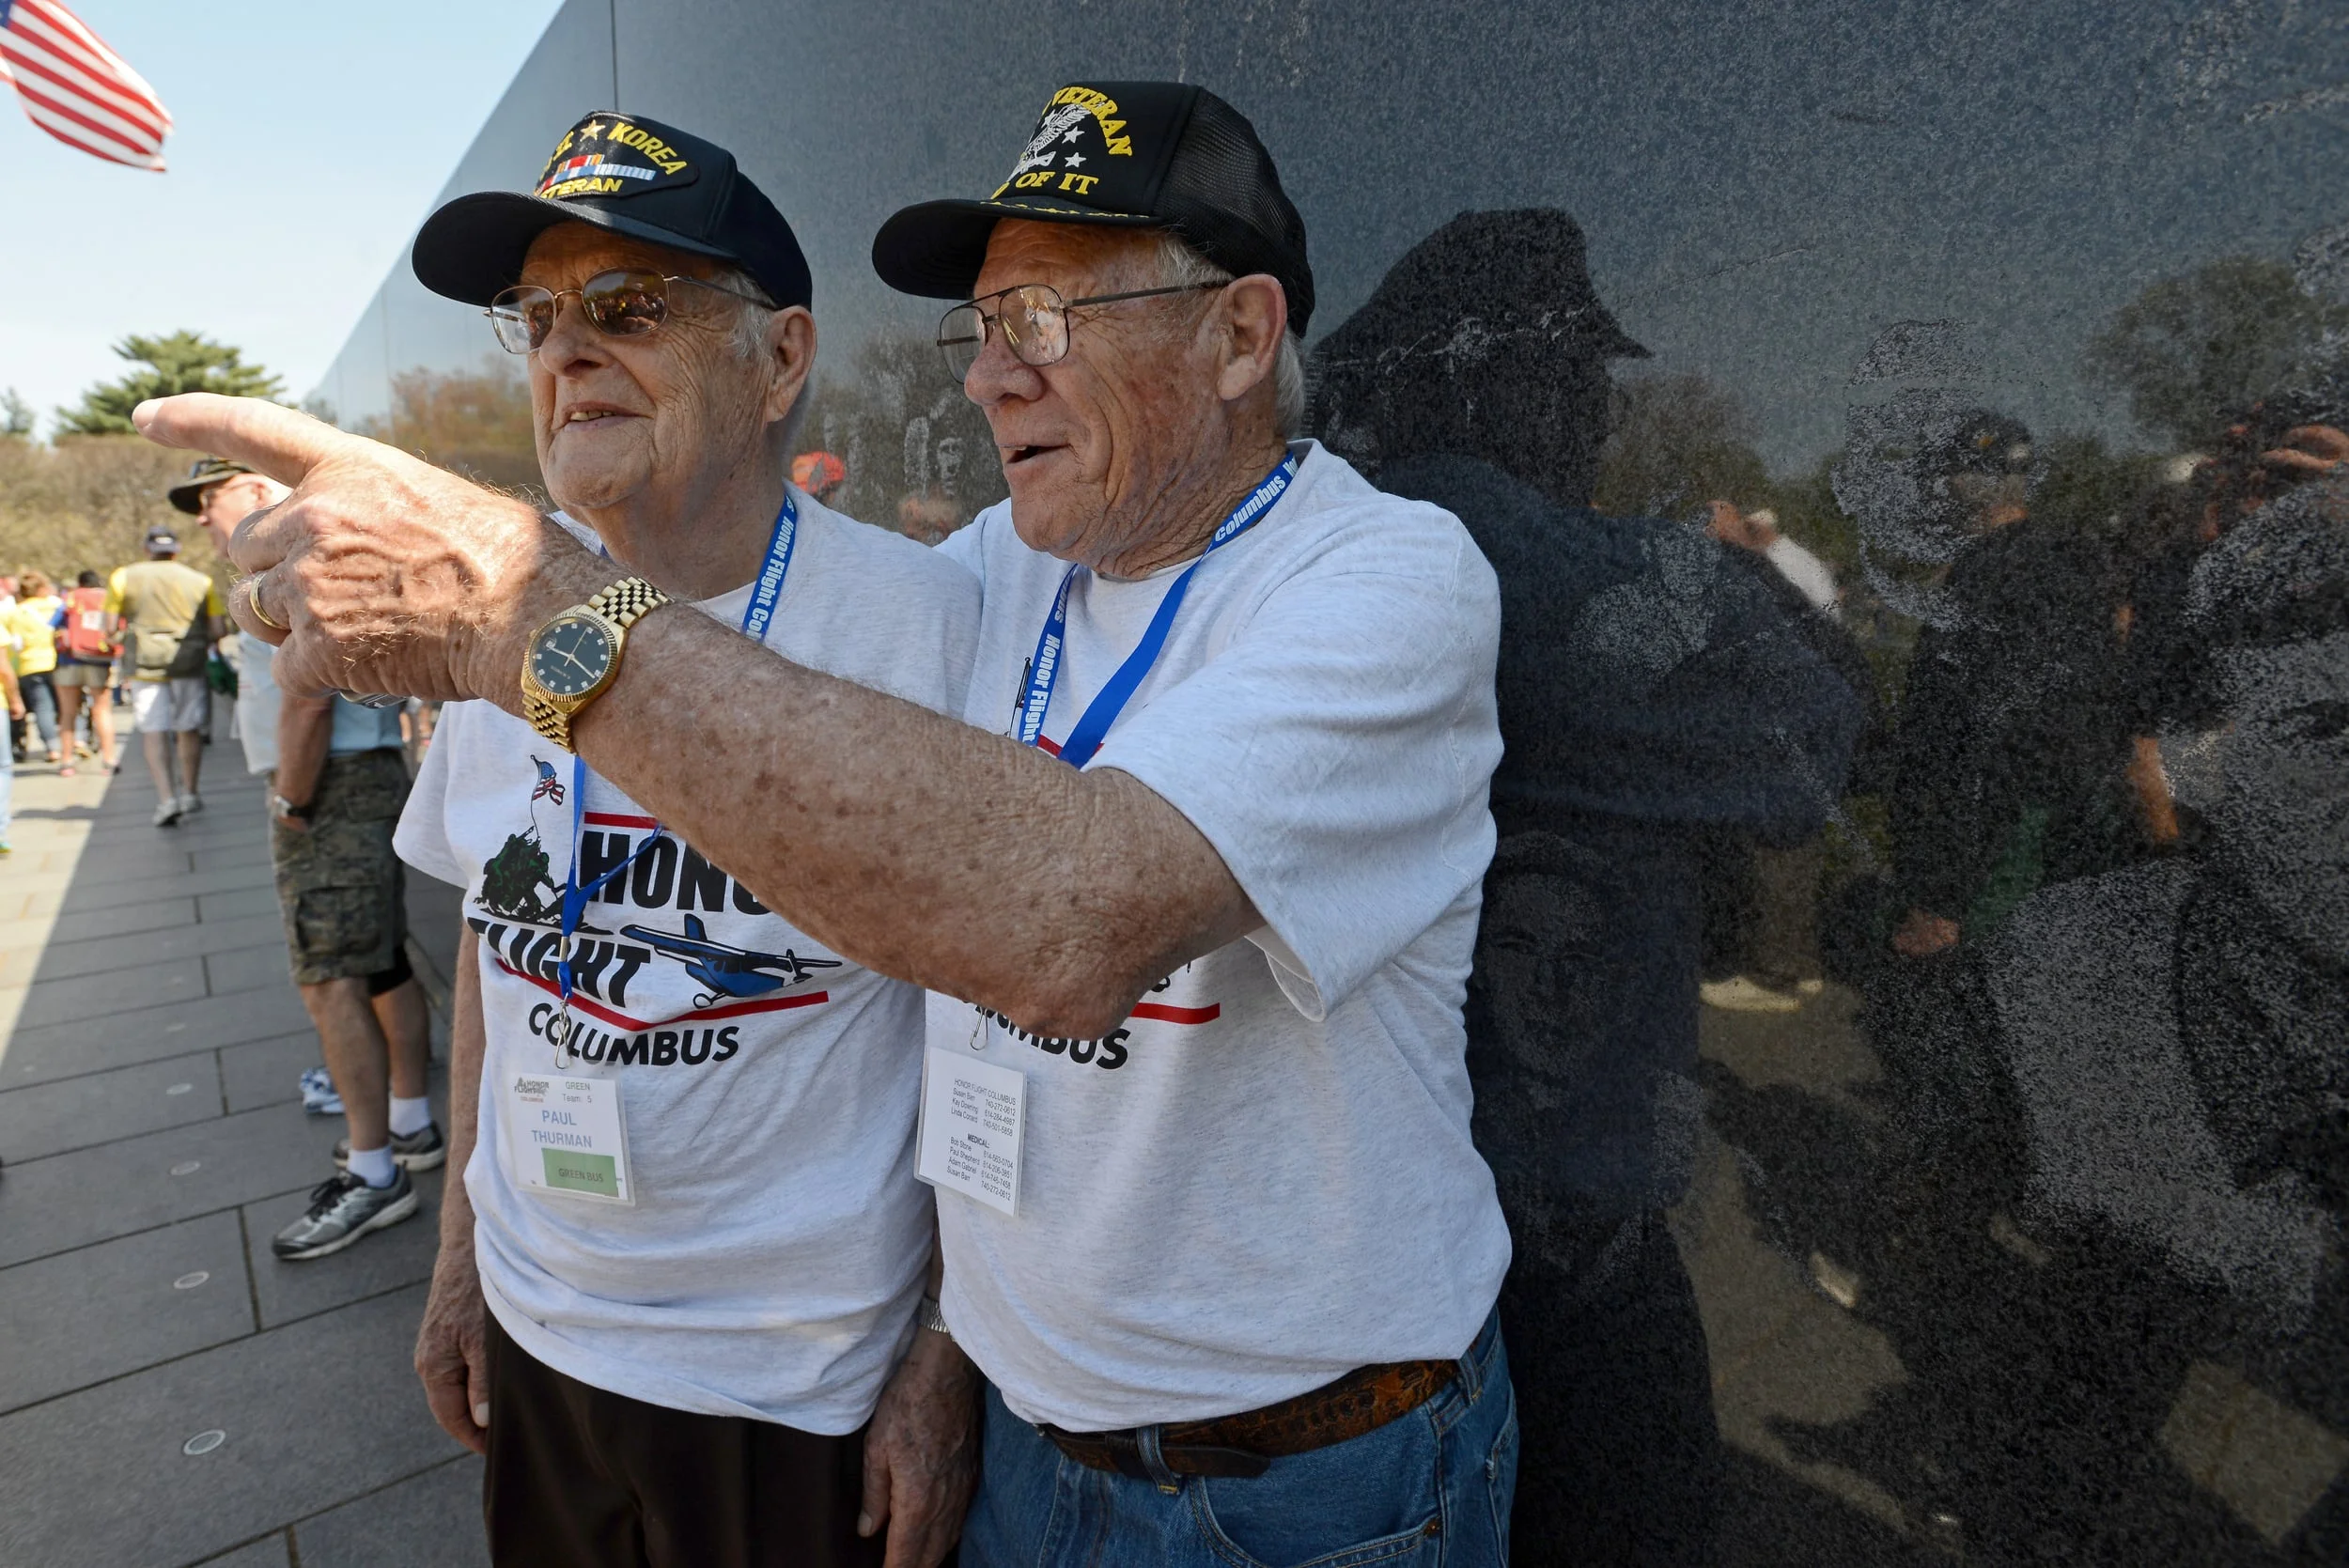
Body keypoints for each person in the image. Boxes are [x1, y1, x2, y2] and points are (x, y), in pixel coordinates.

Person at [147, 78, 1518, 1568]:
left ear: (1241, 334)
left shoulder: (1387, 583)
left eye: (1046, 322)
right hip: (1023, 1432)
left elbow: (1065, 924)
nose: (992, 380)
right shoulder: (996, 572)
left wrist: (520, 599)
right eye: (983, 331)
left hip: (1287, 1475)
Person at [397, 112, 983, 1567]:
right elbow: (492, 945)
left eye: (629, 307)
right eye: (535, 317)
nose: (565, 352)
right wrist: (462, 1261)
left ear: (781, 360)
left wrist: (955, 1348)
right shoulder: (501, 613)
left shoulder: (930, 631)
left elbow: (1003, 1019)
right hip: (540, 1331)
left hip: (798, 1381)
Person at [1311, 207, 1864, 1565]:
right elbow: (1823, 736)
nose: (1602, 418)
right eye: (1580, 379)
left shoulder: (1290, 551)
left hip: (1346, 1235)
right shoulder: (1555, 568)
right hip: (1560, 1241)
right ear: (1498, 379)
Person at [174, 454, 440, 1252]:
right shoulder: (303, 558)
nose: (202, 516)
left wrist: (290, 797)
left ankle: (374, 1173)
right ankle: (410, 1124)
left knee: (329, 978)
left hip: (329, 788)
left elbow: (307, 696)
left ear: (257, 491)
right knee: (380, 959)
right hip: (357, 779)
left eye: (209, 497)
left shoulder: (284, 565)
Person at [107, 524, 226, 826]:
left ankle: (166, 798)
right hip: (188, 663)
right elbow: (218, 630)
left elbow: (109, 629)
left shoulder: (123, 577)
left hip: (145, 664)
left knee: (153, 730)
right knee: (188, 728)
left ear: (147, 549)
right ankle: (190, 793)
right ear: (176, 550)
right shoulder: (200, 581)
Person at [53, 569, 120, 776]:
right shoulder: (107, 598)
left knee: (68, 713)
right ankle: (109, 761)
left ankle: (66, 762)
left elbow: (53, 625)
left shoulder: (71, 598)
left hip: (69, 661)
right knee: (102, 710)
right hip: (99, 660)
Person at [8, 570, 64, 767]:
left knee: (43, 708)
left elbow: (13, 643)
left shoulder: (16, 612)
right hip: (60, 662)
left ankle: (52, 748)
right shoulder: (56, 605)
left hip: (29, 664)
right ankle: (76, 740)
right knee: (68, 705)